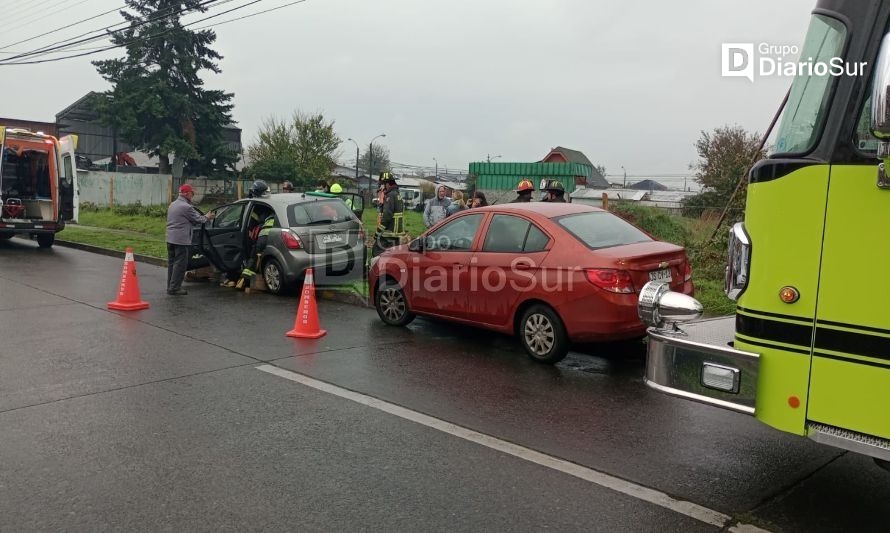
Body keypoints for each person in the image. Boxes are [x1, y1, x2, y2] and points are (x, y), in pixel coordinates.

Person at [165, 183, 215, 295]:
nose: (192, 196)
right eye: (192, 193)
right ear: (187, 194)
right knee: (180, 265)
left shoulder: (172, 204)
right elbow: (199, 219)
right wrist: (208, 216)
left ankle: (170, 286)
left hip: (170, 239)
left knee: (172, 264)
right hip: (181, 240)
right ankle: (175, 288)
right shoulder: (186, 207)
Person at [373, 172, 405, 257]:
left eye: (383, 184)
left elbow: (387, 216)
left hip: (389, 232)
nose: (382, 186)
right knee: (394, 255)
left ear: (387, 183)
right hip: (396, 232)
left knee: (379, 254)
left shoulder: (390, 195)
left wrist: (378, 232)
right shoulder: (397, 193)